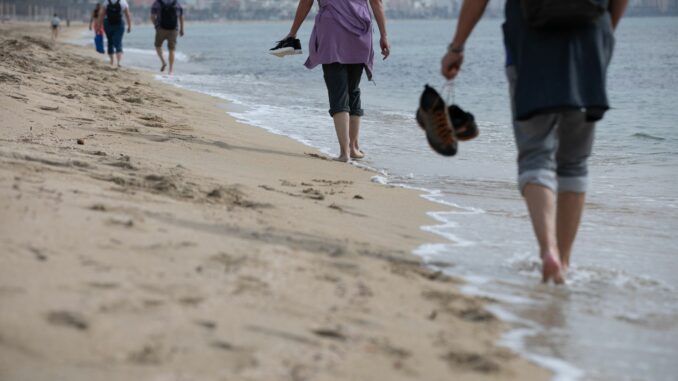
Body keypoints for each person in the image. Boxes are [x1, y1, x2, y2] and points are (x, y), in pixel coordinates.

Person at [440, 0, 628, 283]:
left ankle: (548, 251)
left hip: (529, 42)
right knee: (574, 161)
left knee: (535, 152)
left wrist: (457, 46)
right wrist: (604, 32)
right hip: (590, 39)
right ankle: (563, 261)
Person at [285, 0, 390, 162]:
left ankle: (344, 153)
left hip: (331, 31)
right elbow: (376, 3)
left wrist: (293, 32)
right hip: (359, 30)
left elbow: (306, 2)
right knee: (353, 89)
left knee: (338, 90)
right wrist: (384, 35)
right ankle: (354, 148)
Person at [150, 0, 184, 74]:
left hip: (161, 29)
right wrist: (181, 29)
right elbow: (181, 17)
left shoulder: (157, 3)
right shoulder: (176, 3)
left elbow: (152, 16)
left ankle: (163, 62)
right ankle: (171, 70)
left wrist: (156, 26)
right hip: (173, 29)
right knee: (172, 49)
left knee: (158, 45)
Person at [99, 0, 132, 67]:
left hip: (108, 24)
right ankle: (119, 62)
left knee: (110, 42)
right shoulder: (123, 2)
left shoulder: (106, 2)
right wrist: (129, 26)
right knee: (118, 42)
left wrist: (100, 25)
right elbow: (127, 15)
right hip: (119, 24)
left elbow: (102, 14)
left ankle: (111, 60)